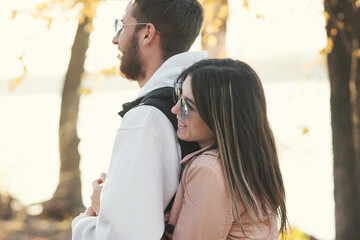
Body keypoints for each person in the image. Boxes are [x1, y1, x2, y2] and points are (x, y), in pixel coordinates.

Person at [71, 0, 206, 239]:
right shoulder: (203, 105)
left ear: (147, 34)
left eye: (121, 26)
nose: (115, 39)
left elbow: (123, 235)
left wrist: (84, 222)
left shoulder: (146, 119)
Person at [162, 58, 287, 239]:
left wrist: (109, 209)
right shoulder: (250, 163)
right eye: (178, 97)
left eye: (187, 106)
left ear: (219, 116)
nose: (174, 109)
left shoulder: (209, 169)